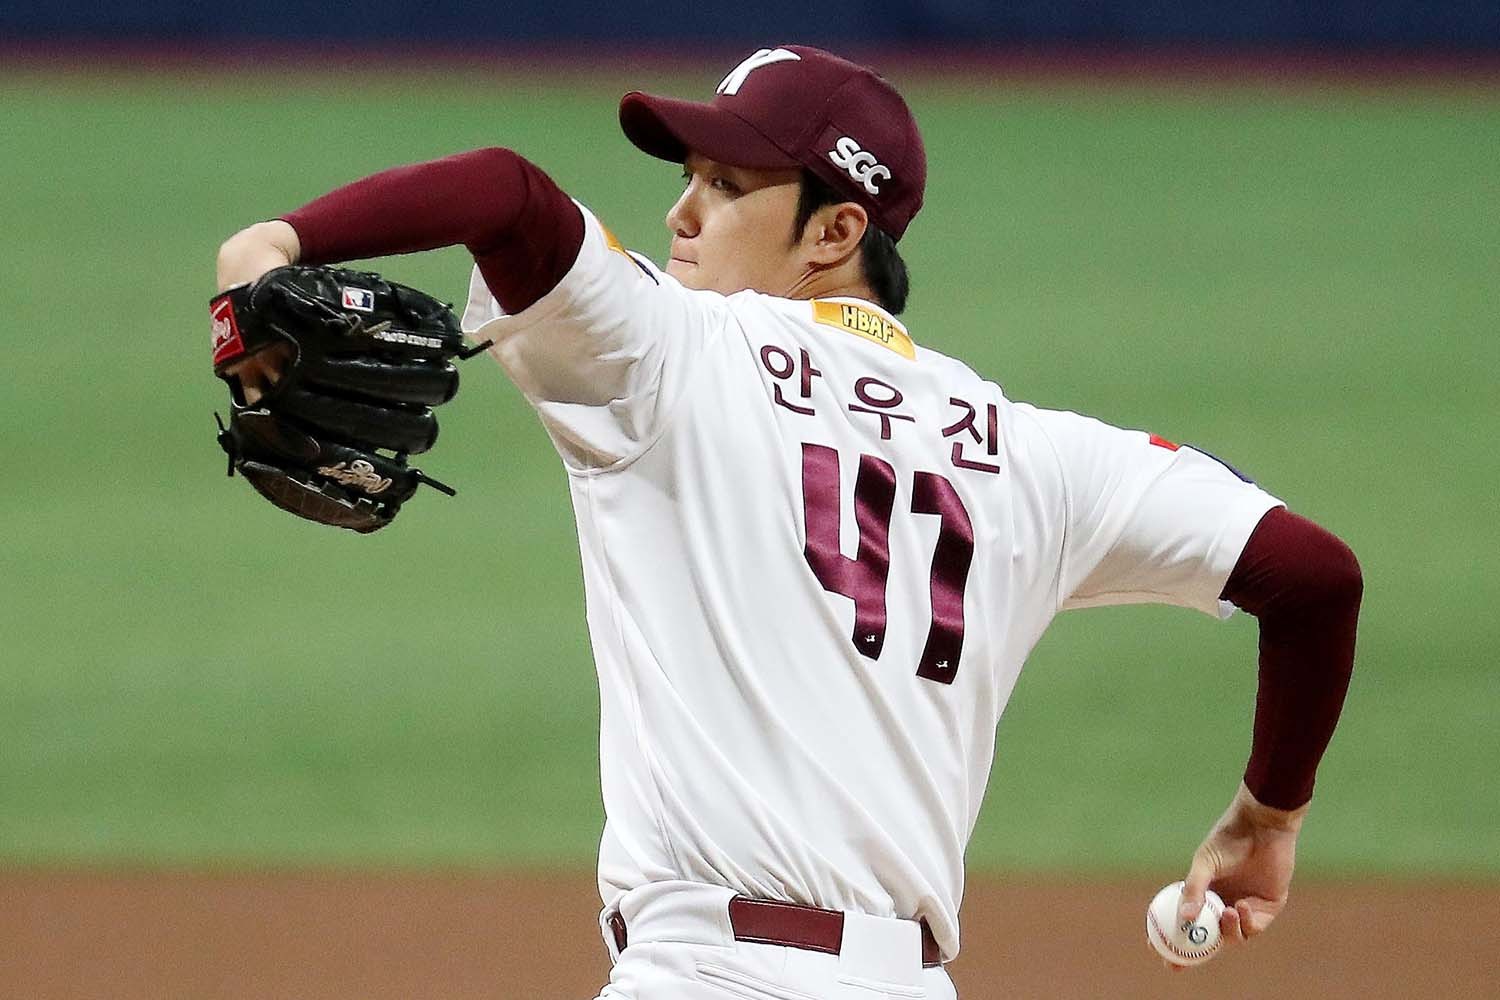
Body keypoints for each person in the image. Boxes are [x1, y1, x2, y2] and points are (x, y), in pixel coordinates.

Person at [215, 45, 1362, 999]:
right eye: (690, 175)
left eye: (725, 183)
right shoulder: (1037, 457)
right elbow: (1315, 577)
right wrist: (1268, 814)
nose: (680, 211)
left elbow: (507, 193)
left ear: (834, 230)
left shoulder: (677, 350)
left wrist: (272, 247)